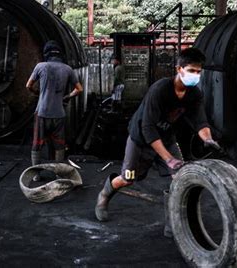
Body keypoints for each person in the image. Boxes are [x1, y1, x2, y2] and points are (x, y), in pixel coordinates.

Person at [94, 48, 221, 234]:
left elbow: (200, 121)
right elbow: (148, 128)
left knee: (179, 178)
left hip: (167, 139)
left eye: (198, 72)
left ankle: (173, 223)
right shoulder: (160, 89)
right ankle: (104, 194)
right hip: (140, 140)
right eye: (191, 71)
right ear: (179, 69)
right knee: (128, 179)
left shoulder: (194, 94)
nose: (195, 75)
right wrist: (168, 158)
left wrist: (208, 138)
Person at [26, 40, 83, 168]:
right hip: (59, 114)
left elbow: (28, 85)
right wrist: (67, 96)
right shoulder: (68, 69)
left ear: (46, 54)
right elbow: (79, 89)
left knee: (37, 143)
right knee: (59, 144)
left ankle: (36, 174)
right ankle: (58, 173)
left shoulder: (40, 66)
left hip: (42, 112)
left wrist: (37, 93)